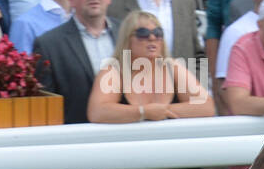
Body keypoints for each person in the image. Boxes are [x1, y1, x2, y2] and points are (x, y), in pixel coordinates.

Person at [87, 9, 215, 125]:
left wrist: (161, 111)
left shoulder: (172, 67)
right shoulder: (113, 71)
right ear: (127, 39)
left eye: (158, 33)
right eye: (143, 33)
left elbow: (207, 106)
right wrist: (143, 112)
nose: (152, 38)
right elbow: (97, 111)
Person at [33, 0, 118, 127]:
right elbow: (45, 107)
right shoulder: (48, 45)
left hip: (129, 137)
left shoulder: (129, 34)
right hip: (77, 140)